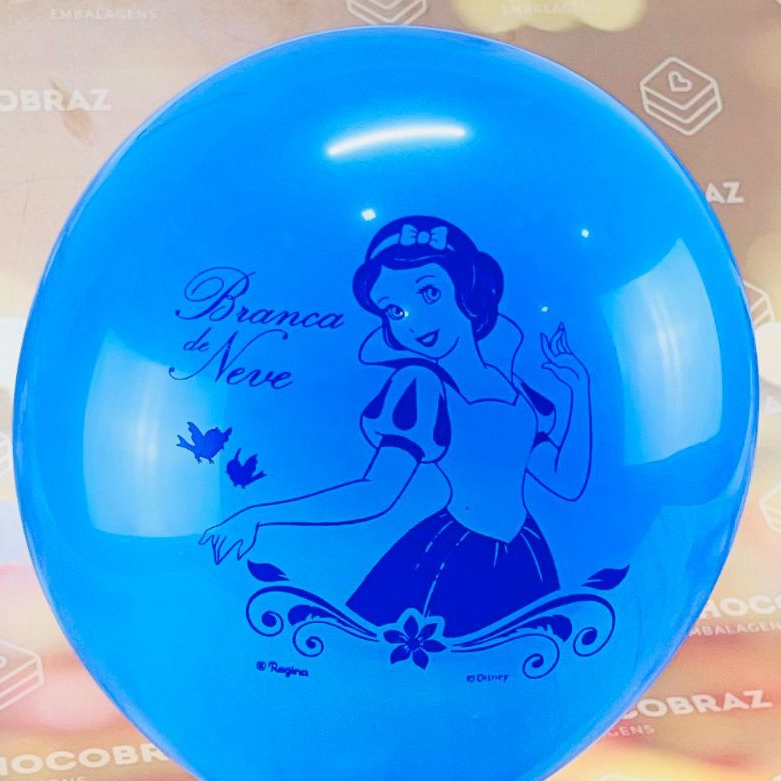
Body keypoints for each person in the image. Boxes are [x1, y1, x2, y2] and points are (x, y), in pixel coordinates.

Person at [202, 216, 592, 637]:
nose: (415, 321)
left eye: (430, 292)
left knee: (519, 657)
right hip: (455, 559)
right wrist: (258, 515)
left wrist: (581, 390)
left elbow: (566, 482)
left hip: (525, 557)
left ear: (467, 292)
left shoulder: (514, 388)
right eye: (395, 309)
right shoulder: (421, 386)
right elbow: (375, 492)